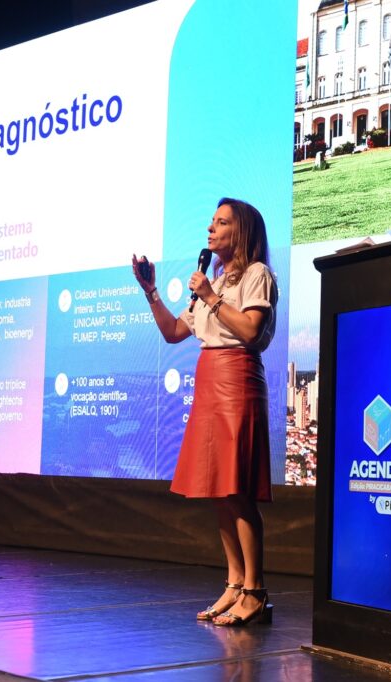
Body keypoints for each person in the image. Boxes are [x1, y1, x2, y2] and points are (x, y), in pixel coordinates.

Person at [131, 197, 278, 627]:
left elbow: (251, 330)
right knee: (218, 489)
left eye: (222, 223)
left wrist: (211, 297)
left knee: (238, 489)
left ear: (242, 232)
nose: (210, 229)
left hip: (237, 382)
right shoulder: (211, 281)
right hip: (209, 383)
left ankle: (256, 590)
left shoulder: (256, 275)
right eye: (210, 222)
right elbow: (174, 332)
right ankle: (234, 584)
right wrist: (151, 291)